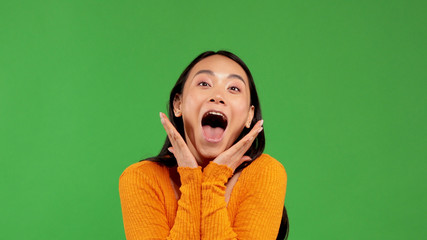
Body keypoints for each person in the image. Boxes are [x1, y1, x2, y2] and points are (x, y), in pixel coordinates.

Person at [119, 50, 288, 240]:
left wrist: (214, 180)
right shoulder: (142, 178)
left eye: (233, 88)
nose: (217, 96)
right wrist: (191, 182)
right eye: (204, 84)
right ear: (178, 104)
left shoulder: (266, 172)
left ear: (250, 116)